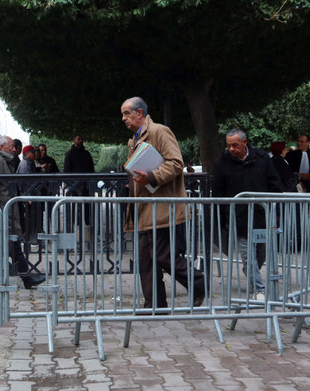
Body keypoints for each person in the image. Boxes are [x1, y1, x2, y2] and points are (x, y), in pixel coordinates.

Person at [120, 97, 205, 309]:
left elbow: (176, 163)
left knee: (163, 256)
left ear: (140, 113)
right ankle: (154, 304)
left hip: (162, 208)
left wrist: (152, 176)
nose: (124, 118)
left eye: (126, 113)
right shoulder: (134, 140)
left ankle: (198, 281)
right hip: (143, 208)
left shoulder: (159, 131)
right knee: (145, 261)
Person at [211, 129, 283, 301]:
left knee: (261, 254)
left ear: (245, 142)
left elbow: (274, 183)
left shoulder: (262, 158)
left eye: (235, 145)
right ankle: (259, 290)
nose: (232, 149)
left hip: (262, 215)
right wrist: (221, 218)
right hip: (239, 217)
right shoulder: (223, 162)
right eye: (228, 145)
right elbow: (218, 190)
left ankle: (251, 274)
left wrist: (277, 210)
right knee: (247, 255)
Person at [0, 135, 45, 290]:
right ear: (2, 147)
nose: (14, 149)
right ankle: (27, 279)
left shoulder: (2, 159)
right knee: (12, 245)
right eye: (11, 146)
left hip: (2, 211)